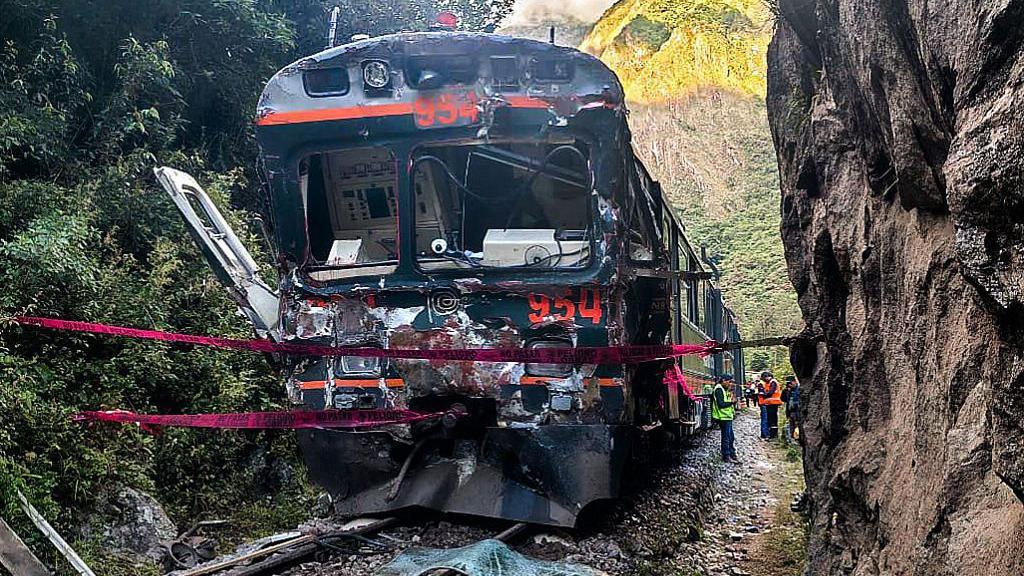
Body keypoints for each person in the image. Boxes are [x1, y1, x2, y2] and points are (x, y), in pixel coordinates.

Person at [711, 374, 738, 463]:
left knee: (730, 437)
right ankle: (726, 456)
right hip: (722, 417)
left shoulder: (724, 389)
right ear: (723, 380)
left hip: (727, 417)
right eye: (729, 382)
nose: (730, 384)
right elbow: (721, 404)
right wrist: (731, 402)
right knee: (726, 437)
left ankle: (731, 454)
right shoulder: (719, 389)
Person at [761, 371, 783, 439]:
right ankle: (772, 434)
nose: (764, 380)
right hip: (770, 403)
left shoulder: (773, 382)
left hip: (773, 403)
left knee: (773, 419)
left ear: (768, 377)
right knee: (771, 419)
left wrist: (764, 394)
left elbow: (770, 392)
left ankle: (773, 435)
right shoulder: (769, 383)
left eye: (764, 378)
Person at [783, 375, 800, 441]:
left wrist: (795, 404)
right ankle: (792, 441)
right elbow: (783, 399)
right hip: (790, 412)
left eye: (790, 383)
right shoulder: (788, 391)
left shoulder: (799, 390)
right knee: (791, 428)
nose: (789, 385)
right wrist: (785, 391)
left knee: (797, 428)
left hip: (797, 412)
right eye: (788, 383)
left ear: (794, 382)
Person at [757, 373, 769, 439]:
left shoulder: (762, 383)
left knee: (764, 418)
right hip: (763, 403)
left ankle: (763, 433)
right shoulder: (762, 384)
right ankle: (764, 434)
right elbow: (762, 393)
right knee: (765, 418)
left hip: (763, 403)